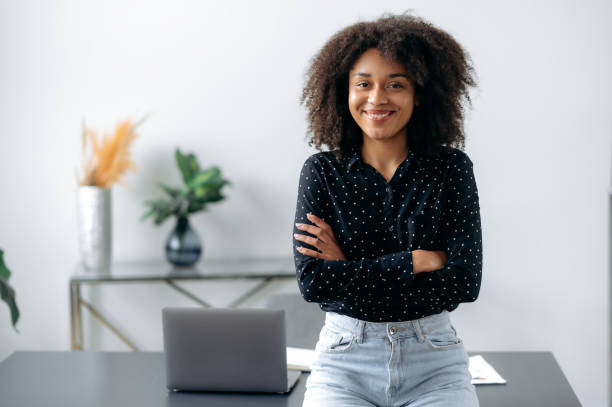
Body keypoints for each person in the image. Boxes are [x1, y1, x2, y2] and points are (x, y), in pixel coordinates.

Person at [292, 12, 482, 407]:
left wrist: (345, 266)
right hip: (344, 365)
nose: (377, 98)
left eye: (395, 84)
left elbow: (465, 283)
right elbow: (314, 283)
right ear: (343, 92)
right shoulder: (322, 172)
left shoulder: (451, 169)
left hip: (435, 364)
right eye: (363, 84)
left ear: (419, 95)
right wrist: (416, 260)